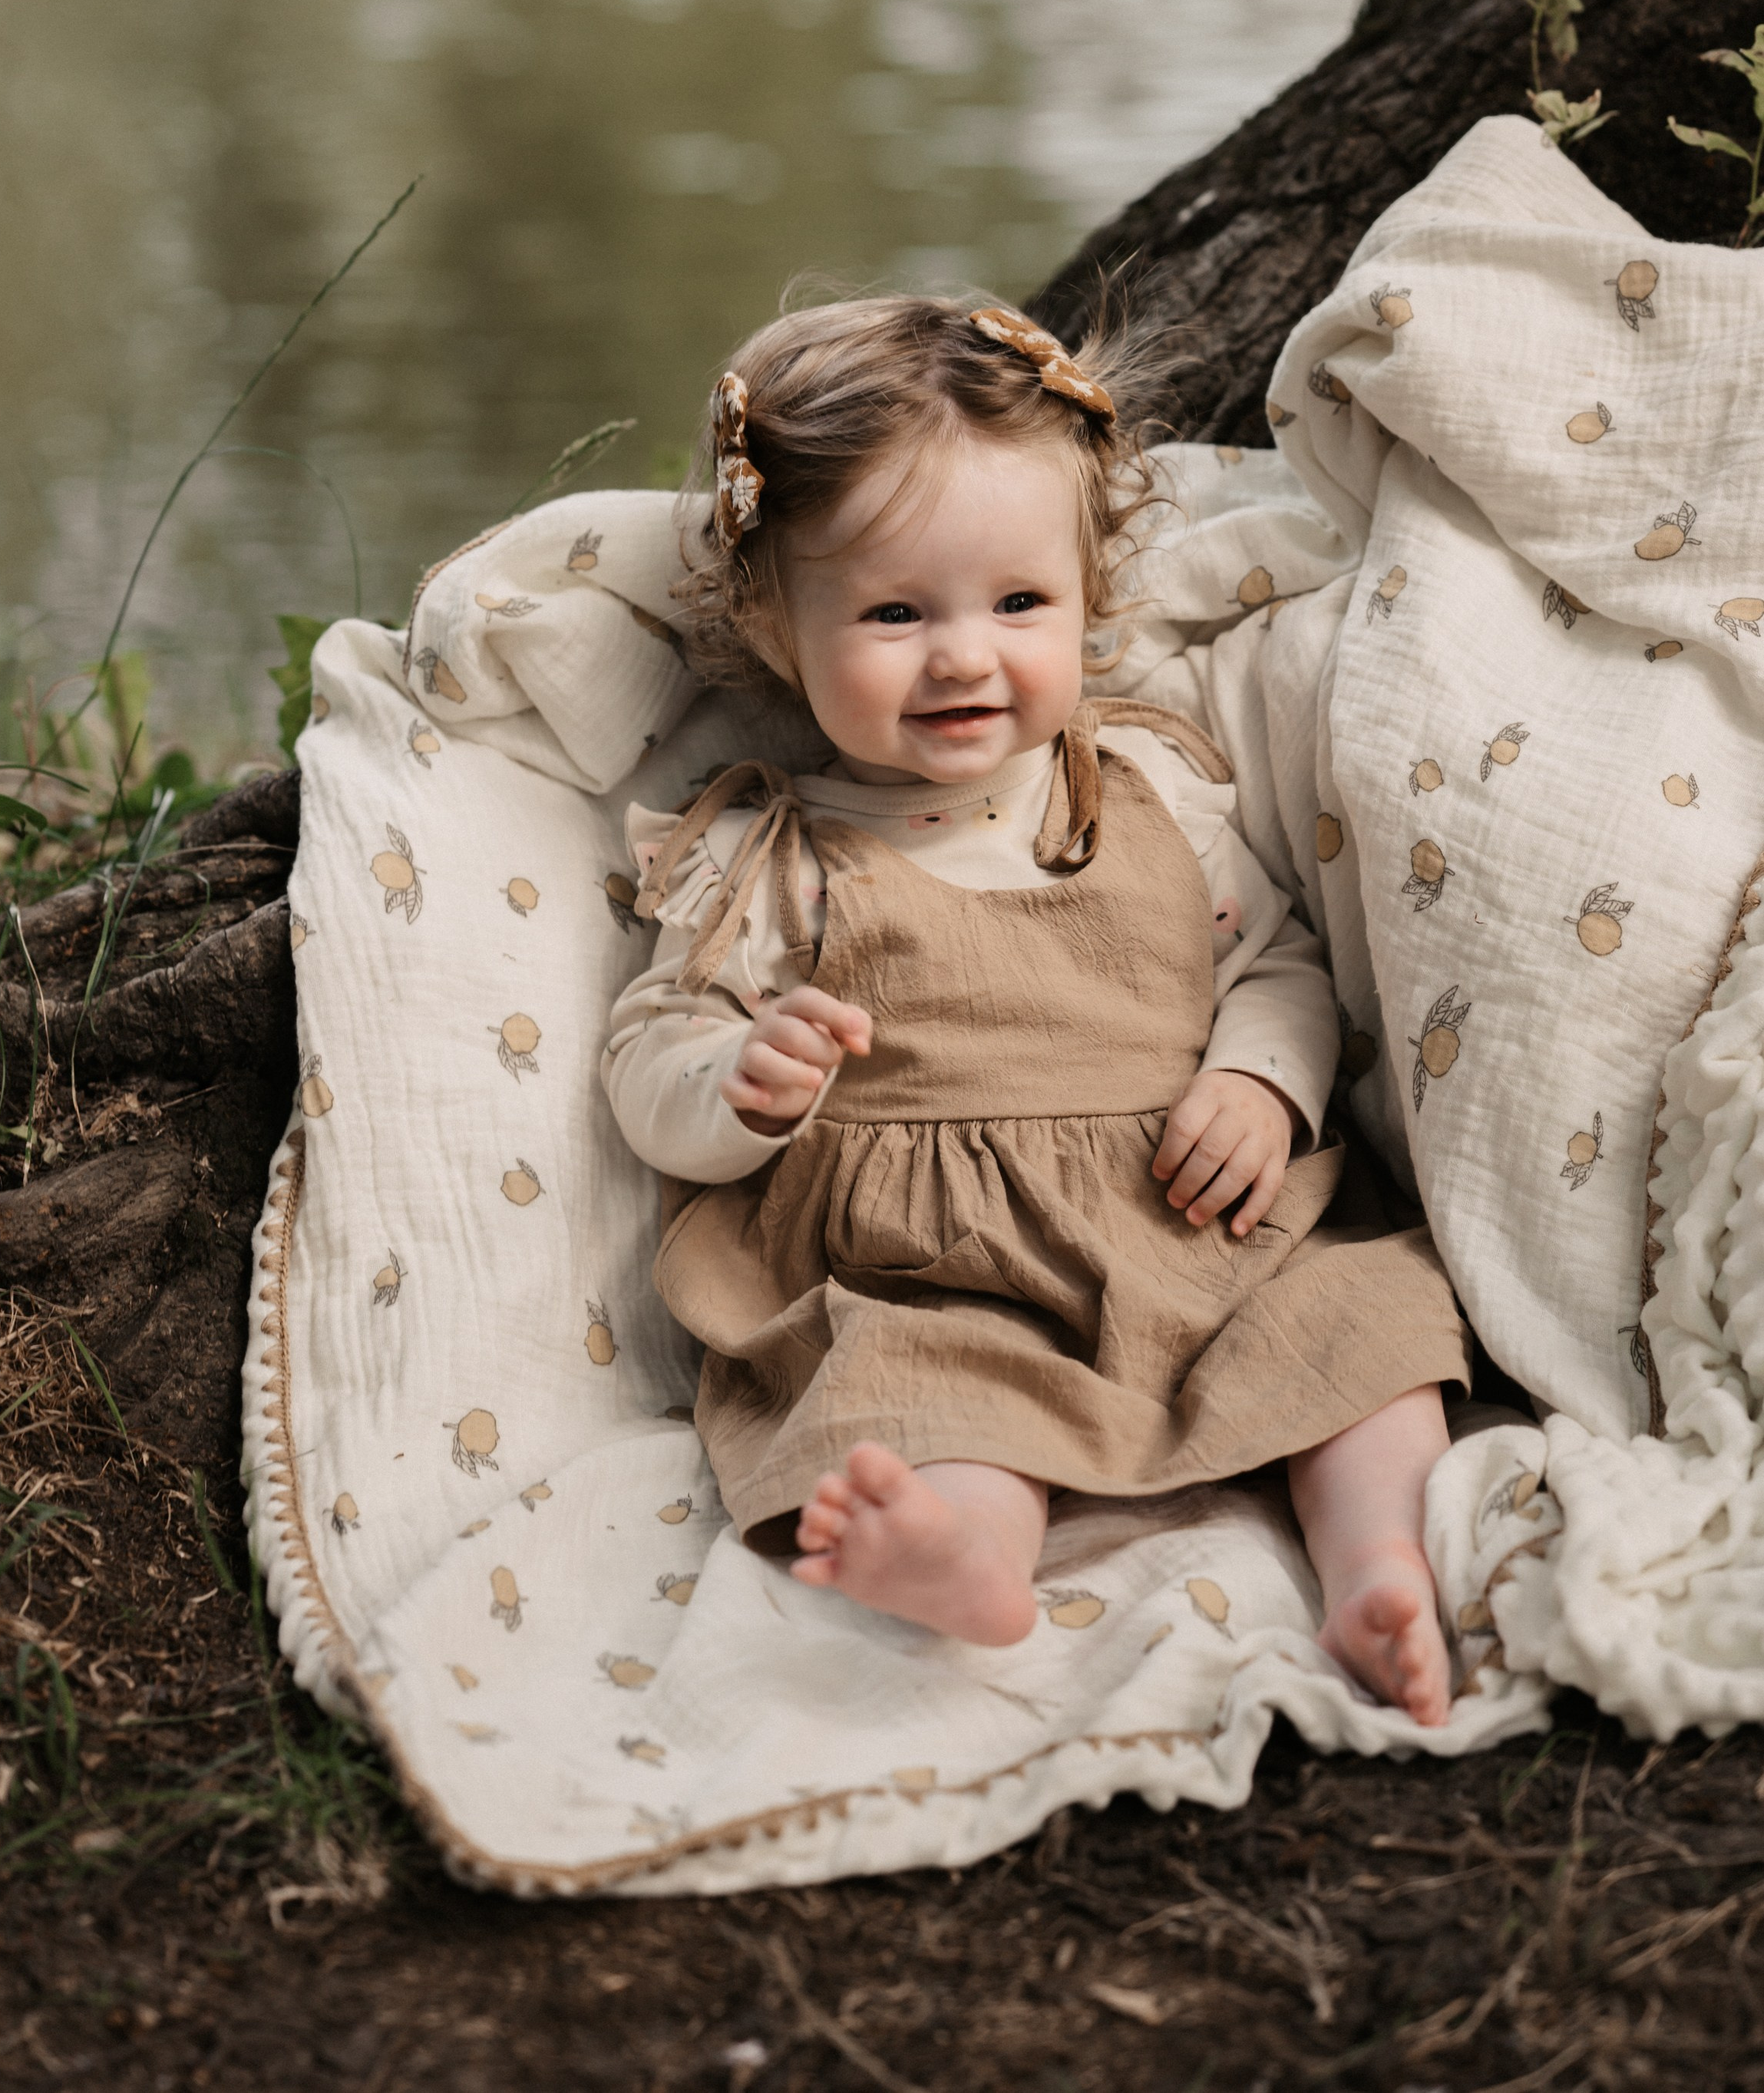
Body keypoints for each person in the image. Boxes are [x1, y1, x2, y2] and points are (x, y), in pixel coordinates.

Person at [602, 293, 1469, 1724]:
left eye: (1017, 605)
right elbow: (649, 1053)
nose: (961, 656)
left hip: (1190, 1229)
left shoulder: (1143, 790)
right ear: (773, 621)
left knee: (1358, 1325)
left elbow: (1274, 967)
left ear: (1086, 594)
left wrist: (1261, 1084)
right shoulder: (771, 855)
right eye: (893, 613)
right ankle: (960, 1555)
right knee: (926, 1399)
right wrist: (737, 1083)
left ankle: (1373, 1561)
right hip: (934, 1268)